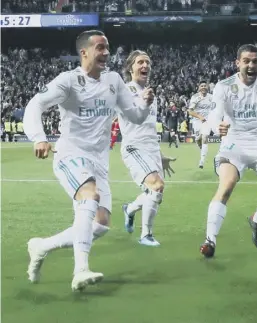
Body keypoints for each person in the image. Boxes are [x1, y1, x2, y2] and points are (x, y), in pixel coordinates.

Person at [23, 30, 155, 292]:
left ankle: (41, 246)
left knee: (101, 224)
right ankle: (80, 270)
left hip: (99, 162)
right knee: (89, 196)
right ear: (84, 52)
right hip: (71, 154)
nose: (106, 53)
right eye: (100, 48)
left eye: (107, 48)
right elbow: (34, 106)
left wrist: (145, 104)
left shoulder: (114, 81)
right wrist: (38, 137)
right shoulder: (68, 81)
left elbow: (136, 117)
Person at [199, 44, 257, 258]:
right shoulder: (224, 86)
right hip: (234, 144)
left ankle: (256, 219)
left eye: (255, 61)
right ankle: (210, 240)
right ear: (238, 63)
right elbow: (215, 115)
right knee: (227, 184)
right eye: (247, 61)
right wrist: (217, 127)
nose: (251, 65)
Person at [119, 50, 176, 246]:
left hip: (150, 149)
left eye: (148, 62)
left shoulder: (153, 95)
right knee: (157, 185)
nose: (145, 66)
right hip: (133, 147)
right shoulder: (125, 91)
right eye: (140, 62)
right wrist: (143, 102)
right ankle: (146, 235)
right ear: (130, 68)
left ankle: (130, 209)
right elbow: (132, 116)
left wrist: (160, 155)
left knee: (155, 192)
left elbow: (149, 128)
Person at [188, 81, 213, 169]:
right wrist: (199, 116)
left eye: (205, 86)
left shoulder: (211, 97)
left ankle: (202, 161)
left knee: (205, 137)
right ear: (199, 88)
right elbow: (190, 111)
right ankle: (203, 151)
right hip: (197, 121)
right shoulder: (195, 97)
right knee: (198, 140)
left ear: (207, 87)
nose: (203, 87)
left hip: (207, 121)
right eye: (201, 86)